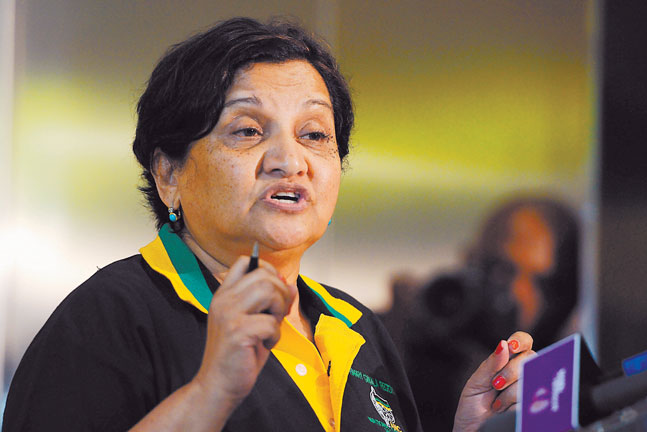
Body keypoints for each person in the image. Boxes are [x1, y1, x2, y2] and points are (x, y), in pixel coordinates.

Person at [3, 17, 534, 432]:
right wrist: (210, 393)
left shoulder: (357, 327)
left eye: (314, 134)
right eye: (248, 130)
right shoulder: (109, 317)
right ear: (168, 174)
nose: (289, 160)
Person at [383, 195, 578, 431]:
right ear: (472, 260)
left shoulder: (557, 380)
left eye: (540, 284)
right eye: (503, 270)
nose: (516, 293)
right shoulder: (412, 337)